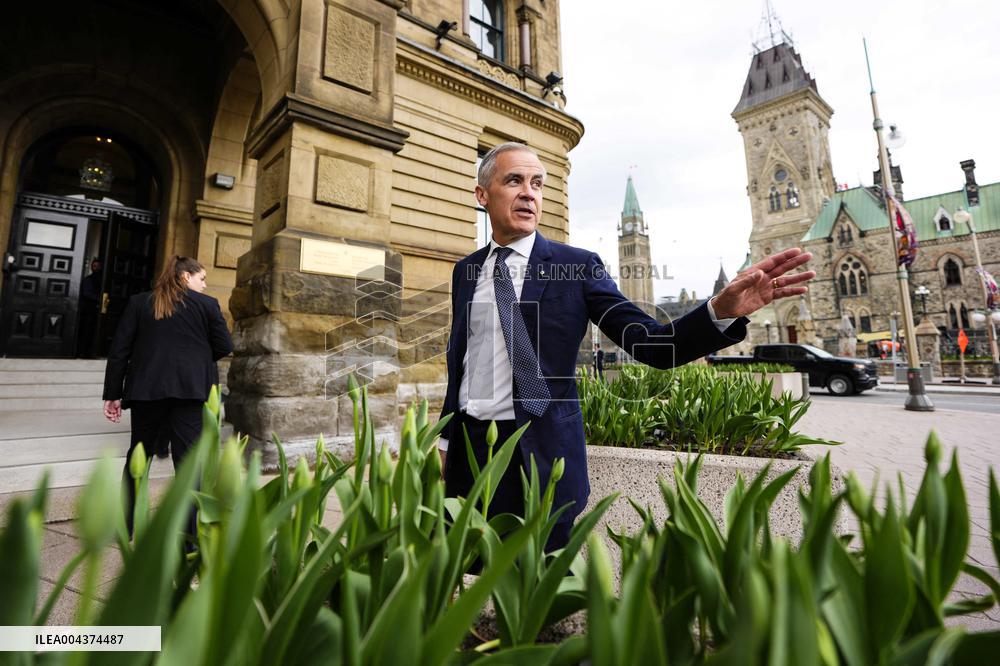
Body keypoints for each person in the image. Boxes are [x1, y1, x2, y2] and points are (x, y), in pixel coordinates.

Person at [437, 142, 815, 550]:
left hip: (539, 460)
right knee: (468, 575)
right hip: (468, 458)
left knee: (536, 582)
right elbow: (463, 363)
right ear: (482, 195)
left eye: (538, 184)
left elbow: (652, 345)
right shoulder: (467, 271)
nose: (529, 193)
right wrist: (445, 441)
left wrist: (719, 312)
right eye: (514, 181)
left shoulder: (578, 266)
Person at [102, 256, 233, 543]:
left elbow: (119, 351)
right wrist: (195, 362)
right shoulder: (207, 305)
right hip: (189, 393)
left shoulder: (139, 302)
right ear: (186, 276)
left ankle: (125, 526)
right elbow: (225, 345)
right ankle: (187, 536)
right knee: (188, 464)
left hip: (146, 392)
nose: (205, 284)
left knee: (138, 457)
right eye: (202, 278)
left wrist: (113, 394)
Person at [77, 258, 102, 357]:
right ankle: (83, 352)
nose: (96, 268)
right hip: (88, 310)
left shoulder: (102, 279)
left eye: (98, 266)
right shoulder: (88, 280)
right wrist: (99, 299)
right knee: (87, 331)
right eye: (94, 266)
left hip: (96, 311)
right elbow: (86, 293)